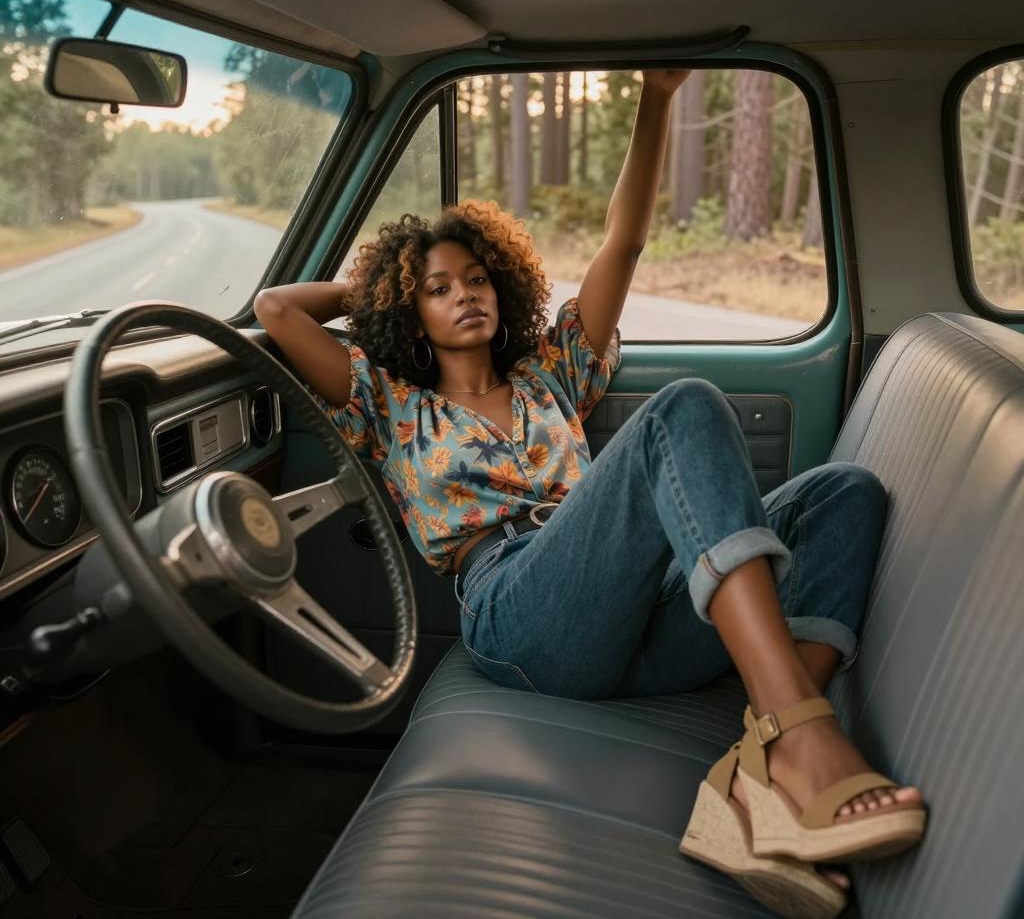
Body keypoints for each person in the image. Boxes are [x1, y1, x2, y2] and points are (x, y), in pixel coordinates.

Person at [255, 69, 926, 918]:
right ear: (409, 311)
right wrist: (385, 285)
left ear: (501, 284)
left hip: (642, 620)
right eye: (439, 287)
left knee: (844, 493)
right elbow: (276, 309)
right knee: (682, 408)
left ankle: (761, 772)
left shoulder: (550, 377)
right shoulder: (391, 407)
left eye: (476, 278)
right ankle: (802, 733)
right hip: (521, 608)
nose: (465, 293)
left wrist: (656, 99)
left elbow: (623, 245)